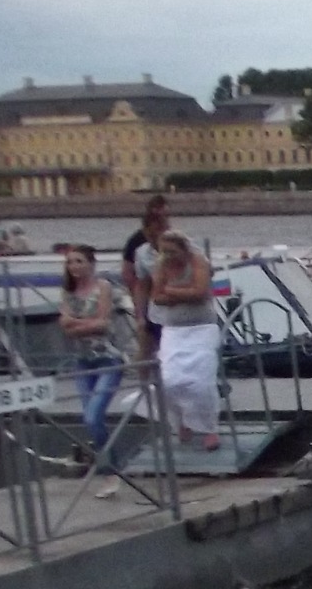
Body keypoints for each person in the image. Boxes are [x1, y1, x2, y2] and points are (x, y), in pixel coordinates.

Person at [149, 229, 223, 451]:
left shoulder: (198, 261)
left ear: (183, 249)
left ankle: (209, 428)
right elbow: (157, 297)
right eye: (164, 251)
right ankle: (181, 421)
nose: (168, 256)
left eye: (172, 251)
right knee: (169, 380)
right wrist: (183, 292)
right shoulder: (161, 266)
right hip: (174, 330)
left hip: (202, 328)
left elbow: (200, 292)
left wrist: (171, 291)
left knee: (201, 382)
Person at [56, 243, 128, 456]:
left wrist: (76, 323)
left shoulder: (102, 287)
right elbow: (65, 327)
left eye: (79, 261)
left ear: (91, 264)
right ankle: (109, 463)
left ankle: (109, 465)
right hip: (82, 360)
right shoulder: (67, 291)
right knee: (90, 417)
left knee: (92, 416)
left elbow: (103, 324)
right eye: (70, 262)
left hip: (108, 358)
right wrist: (87, 323)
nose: (74, 266)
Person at [121, 195, 170, 357]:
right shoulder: (138, 245)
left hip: (173, 305)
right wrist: (139, 311)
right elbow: (130, 274)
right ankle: (145, 374)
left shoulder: (178, 243)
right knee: (145, 349)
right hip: (151, 303)